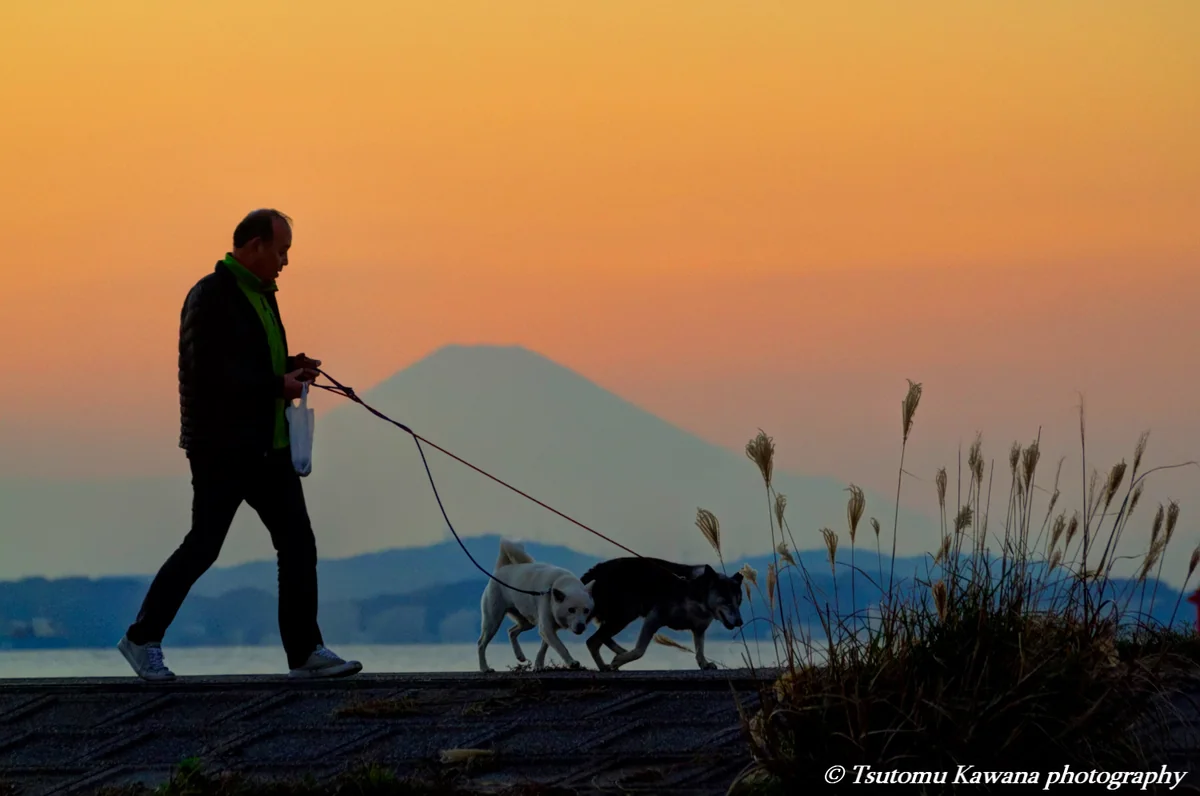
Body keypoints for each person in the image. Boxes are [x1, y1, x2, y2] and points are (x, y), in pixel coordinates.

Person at [118, 208, 362, 681]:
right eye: (281, 250)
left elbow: (251, 362)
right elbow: (211, 374)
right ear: (254, 247)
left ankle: (305, 653)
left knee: (297, 543)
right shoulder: (209, 296)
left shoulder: (263, 296)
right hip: (222, 449)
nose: (285, 261)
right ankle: (141, 638)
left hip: (269, 447)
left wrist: (291, 365)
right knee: (204, 546)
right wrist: (277, 384)